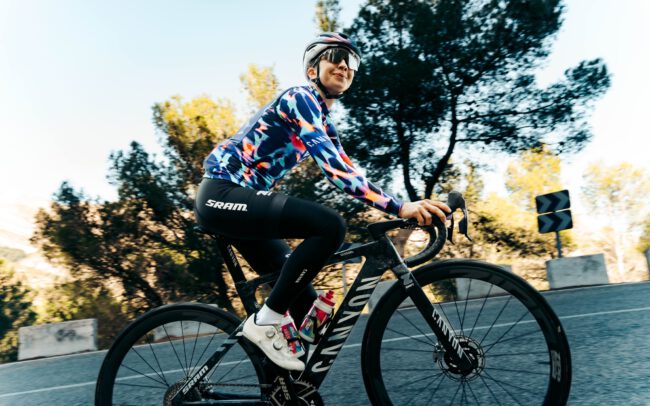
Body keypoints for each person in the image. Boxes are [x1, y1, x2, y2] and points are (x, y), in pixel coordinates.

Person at [194, 32, 450, 371]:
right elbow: (335, 170)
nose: (344, 65)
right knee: (329, 226)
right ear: (313, 70)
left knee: (305, 306)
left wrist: (400, 204)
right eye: (335, 56)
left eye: (351, 61)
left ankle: (287, 386)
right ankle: (265, 322)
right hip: (222, 193)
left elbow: (347, 167)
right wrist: (399, 207)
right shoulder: (300, 98)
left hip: (245, 205)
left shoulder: (323, 122)